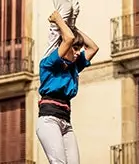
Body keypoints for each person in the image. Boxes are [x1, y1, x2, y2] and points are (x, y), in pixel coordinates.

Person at [36, 10, 98, 164]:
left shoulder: (74, 66)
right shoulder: (49, 64)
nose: (77, 53)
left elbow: (93, 48)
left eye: (78, 49)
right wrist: (59, 20)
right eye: (74, 49)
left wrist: (73, 27)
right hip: (49, 120)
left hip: (66, 122)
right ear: (65, 47)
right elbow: (68, 38)